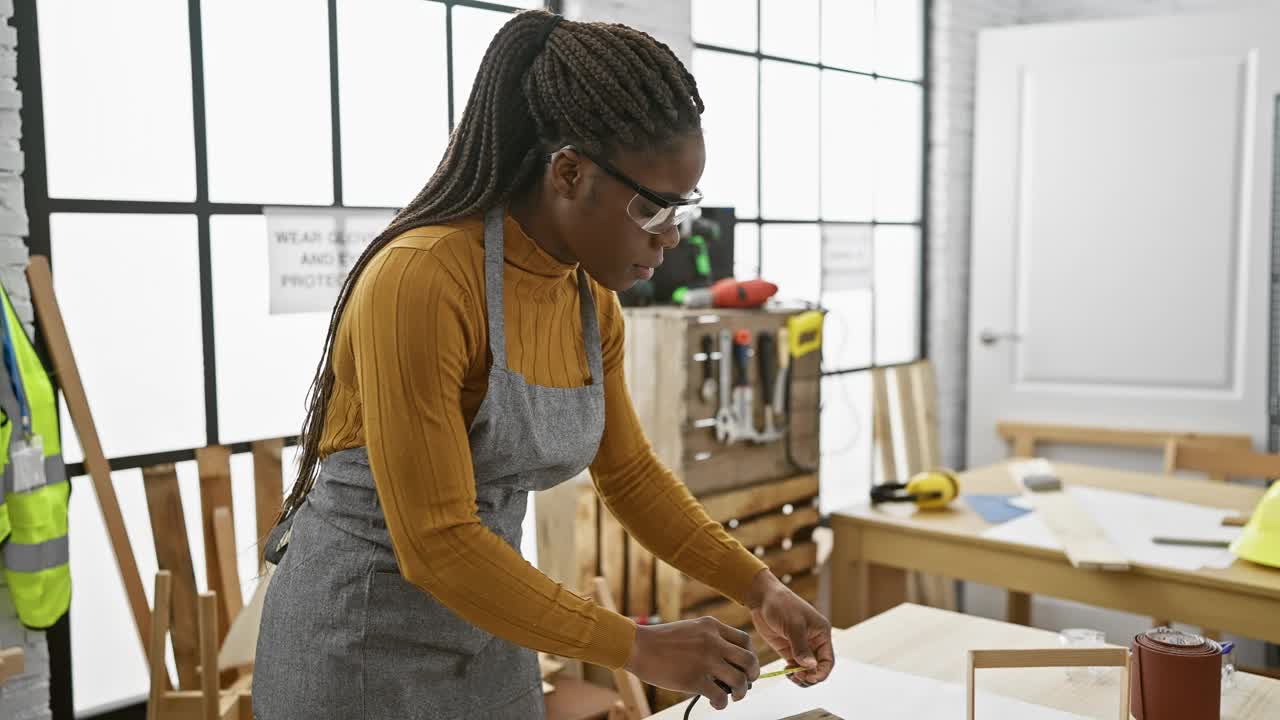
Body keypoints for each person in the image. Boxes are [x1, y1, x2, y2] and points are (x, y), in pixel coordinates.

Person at [253, 10, 833, 719]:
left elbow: (629, 475)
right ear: (568, 171)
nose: (671, 239)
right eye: (654, 209)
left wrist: (759, 587)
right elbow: (435, 545)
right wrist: (639, 647)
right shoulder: (422, 280)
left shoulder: (590, 297)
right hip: (358, 643)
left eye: (682, 209)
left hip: (492, 626)